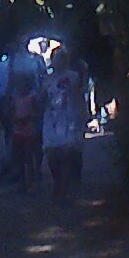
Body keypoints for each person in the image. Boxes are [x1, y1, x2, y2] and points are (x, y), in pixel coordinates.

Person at [43, 46, 85, 203]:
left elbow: (80, 96)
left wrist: (81, 117)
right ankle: (58, 182)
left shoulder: (74, 77)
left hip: (69, 118)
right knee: (52, 154)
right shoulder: (47, 79)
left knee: (67, 154)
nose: (60, 61)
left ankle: (63, 189)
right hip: (51, 120)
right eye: (57, 58)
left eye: (63, 58)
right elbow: (42, 98)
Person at [9, 70, 44, 193]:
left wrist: (28, 118)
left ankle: (30, 182)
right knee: (19, 157)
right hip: (17, 129)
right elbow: (12, 111)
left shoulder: (33, 97)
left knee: (28, 157)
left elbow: (37, 112)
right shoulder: (16, 96)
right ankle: (23, 182)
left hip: (29, 130)